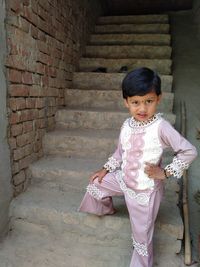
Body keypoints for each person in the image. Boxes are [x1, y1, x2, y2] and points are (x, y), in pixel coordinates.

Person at [78, 67, 197, 267]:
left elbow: (189, 151)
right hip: (124, 180)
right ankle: (108, 209)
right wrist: (105, 170)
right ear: (126, 102)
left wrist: (165, 172)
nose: (142, 109)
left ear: (158, 98)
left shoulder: (161, 127)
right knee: (95, 186)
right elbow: (120, 153)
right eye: (135, 103)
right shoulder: (127, 125)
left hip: (145, 192)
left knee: (141, 239)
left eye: (148, 101)